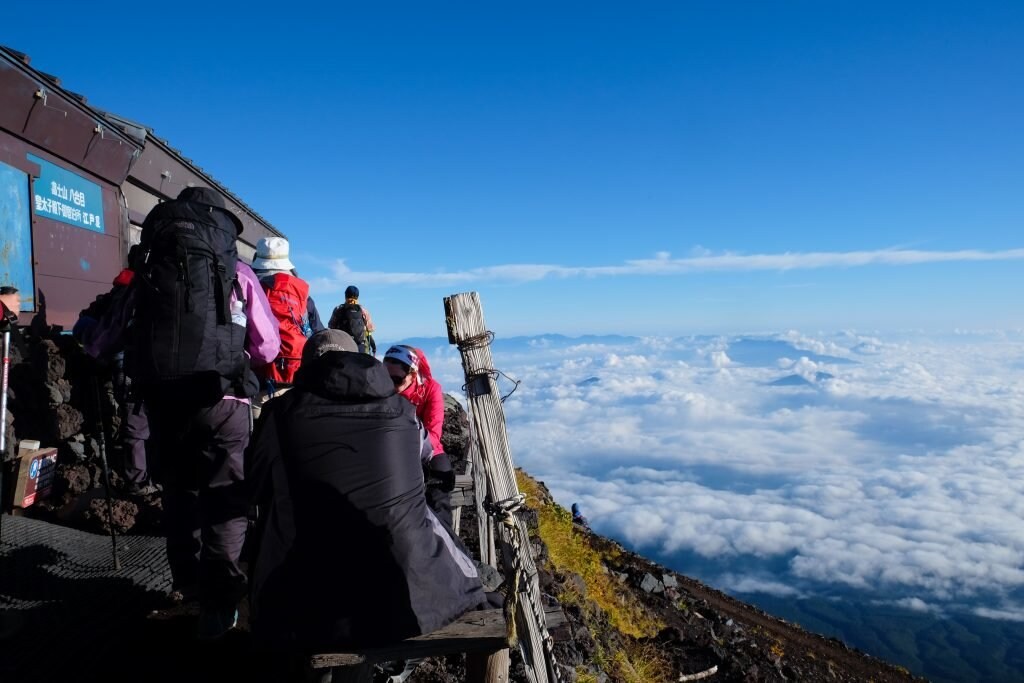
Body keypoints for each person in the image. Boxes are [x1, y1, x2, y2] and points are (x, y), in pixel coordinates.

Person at [87, 187, 280, 640]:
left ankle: (187, 588)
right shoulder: (237, 271)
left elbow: (102, 342)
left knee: (179, 494)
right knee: (226, 499)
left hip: (163, 401)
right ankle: (221, 604)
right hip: (223, 400)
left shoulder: (149, 270)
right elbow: (267, 345)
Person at [247, 329, 487, 655]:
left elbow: (254, 486)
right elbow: (432, 457)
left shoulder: (281, 415)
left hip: (312, 613)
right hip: (419, 600)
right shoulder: (402, 413)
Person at [250, 237, 323, 419]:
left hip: (259, 375)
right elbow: (318, 333)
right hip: (294, 373)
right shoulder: (301, 293)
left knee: (258, 431)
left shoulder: (250, 285)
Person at [383, 345, 455, 529]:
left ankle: (445, 536)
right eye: (385, 378)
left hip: (426, 451)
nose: (390, 385)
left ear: (413, 375)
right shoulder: (380, 390)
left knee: (440, 490)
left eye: (397, 379)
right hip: (389, 449)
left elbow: (434, 434)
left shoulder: (430, 389)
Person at [328, 285, 375, 355]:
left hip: (342, 344)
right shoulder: (363, 310)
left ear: (345, 296)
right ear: (357, 297)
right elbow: (370, 329)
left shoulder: (338, 309)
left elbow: (331, 325)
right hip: (359, 346)